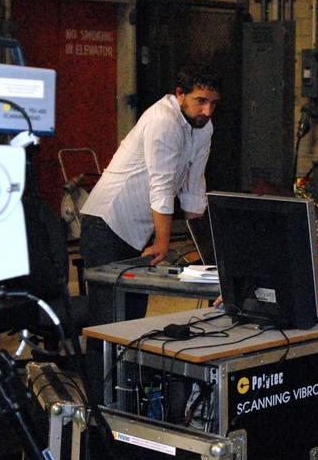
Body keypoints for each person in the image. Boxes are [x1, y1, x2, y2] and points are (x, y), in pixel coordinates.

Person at [79, 65, 220, 324]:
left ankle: (129, 367)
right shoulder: (163, 121)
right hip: (106, 223)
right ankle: (98, 366)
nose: (207, 111)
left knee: (133, 319)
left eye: (213, 103)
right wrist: (163, 243)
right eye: (200, 101)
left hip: (136, 229)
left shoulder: (203, 127)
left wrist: (208, 253)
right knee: (108, 320)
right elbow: (162, 187)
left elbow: (194, 187)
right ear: (180, 94)